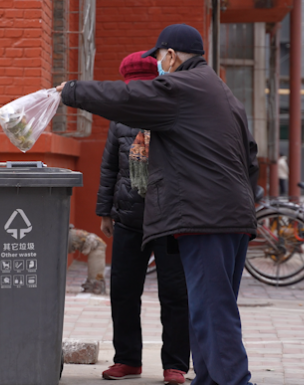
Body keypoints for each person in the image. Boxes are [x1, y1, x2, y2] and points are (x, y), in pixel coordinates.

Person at [57, 24, 259, 385]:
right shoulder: (221, 92)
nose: (159, 67)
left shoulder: (184, 87)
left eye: (160, 59)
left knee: (213, 310)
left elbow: (127, 99)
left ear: (170, 55)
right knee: (206, 309)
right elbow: (251, 158)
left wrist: (71, 91)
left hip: (207, 217)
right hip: (227, 216)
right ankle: (211, 378)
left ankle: (233, 381)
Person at [97, 51, 189, 384]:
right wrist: (105, 210)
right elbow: (109, 167)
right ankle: (127, 359)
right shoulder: (119, 120)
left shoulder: (173, 115)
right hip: (128, 217)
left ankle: (176, 364)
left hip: (170, 220)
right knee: (122, 289)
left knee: (176, 293)